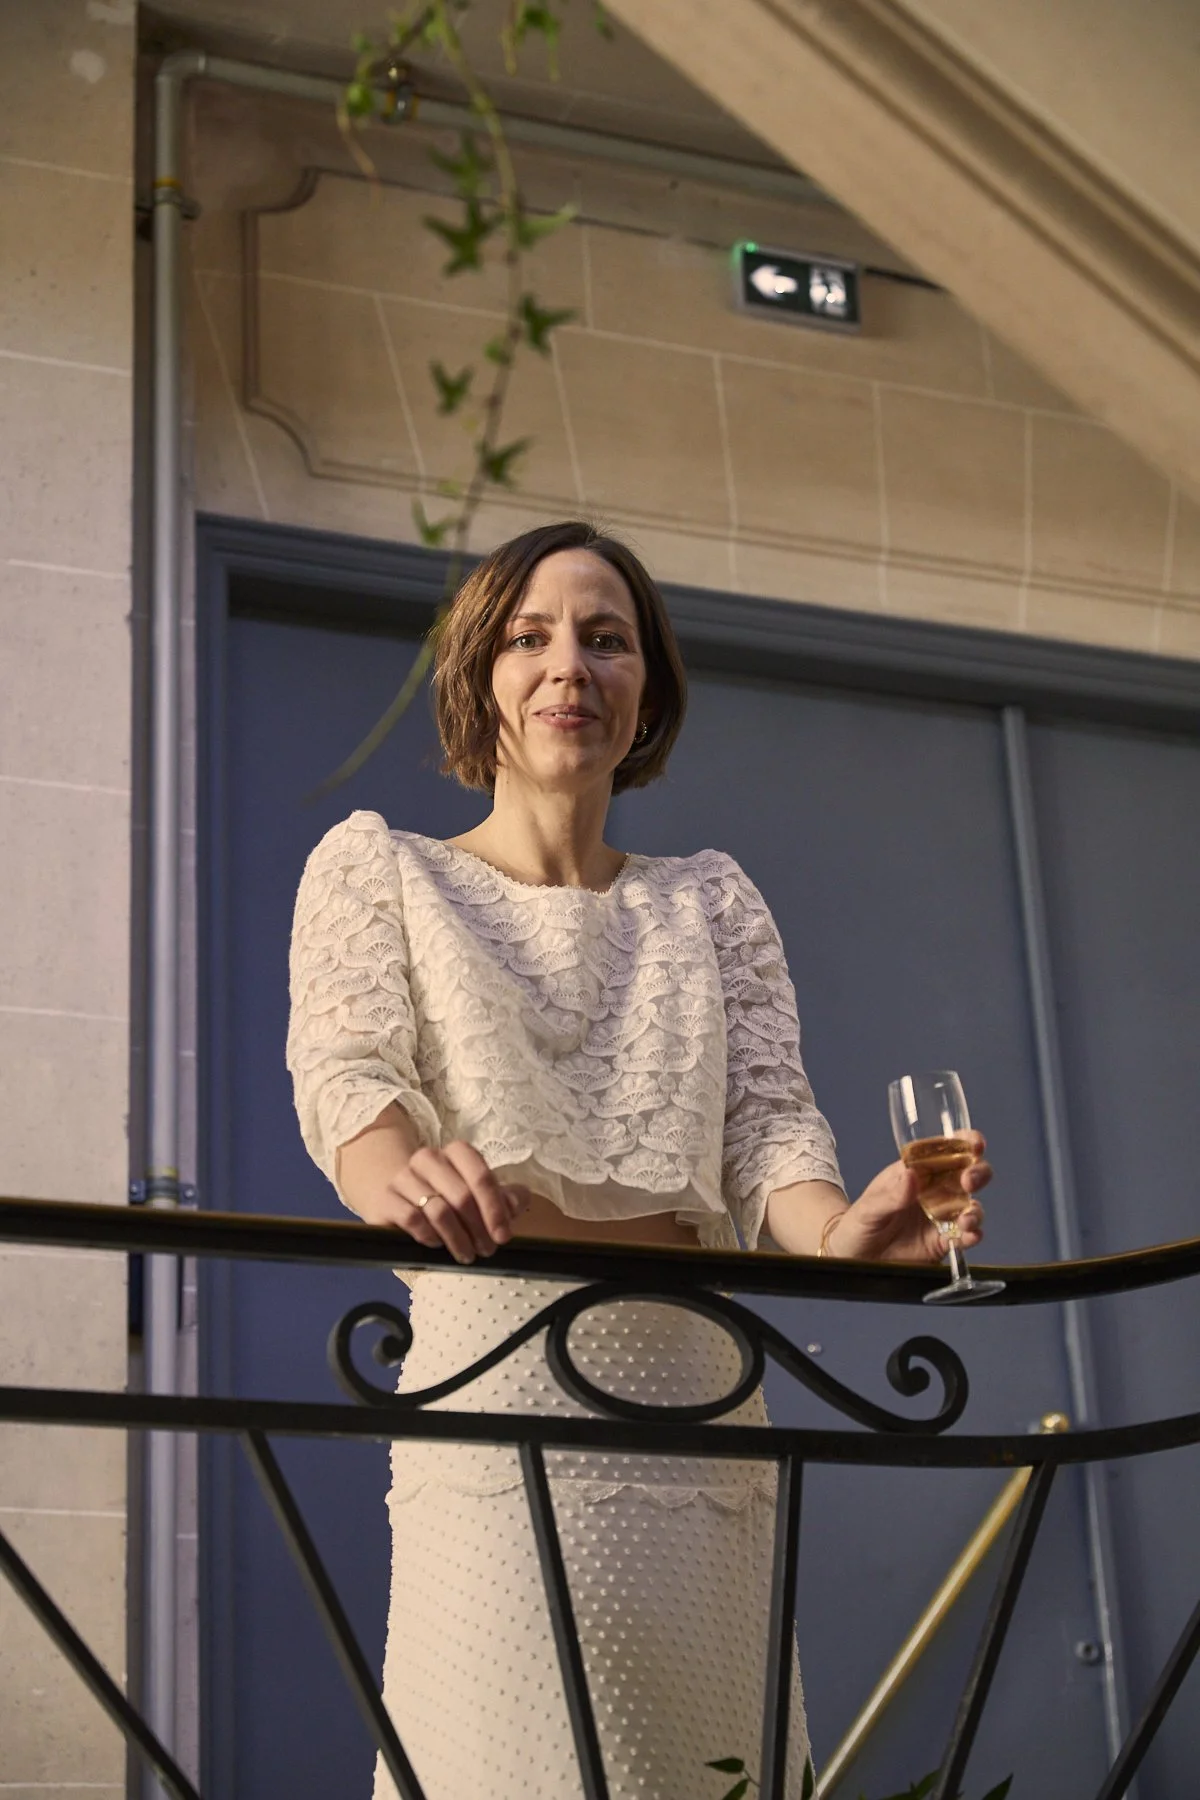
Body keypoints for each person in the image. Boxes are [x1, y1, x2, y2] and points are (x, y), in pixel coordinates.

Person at [286, 520, 990, 1800]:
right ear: (478, 679)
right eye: (531, 636)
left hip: (697, 1403)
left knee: (699, 1765)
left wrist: (844, 1235)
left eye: (608, 639)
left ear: (647, 688)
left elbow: (771, 1126)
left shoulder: (711, 903)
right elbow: (351, 1077)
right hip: (498, 1387)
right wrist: (389, 1172)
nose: (572, 666)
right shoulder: (381, 873)